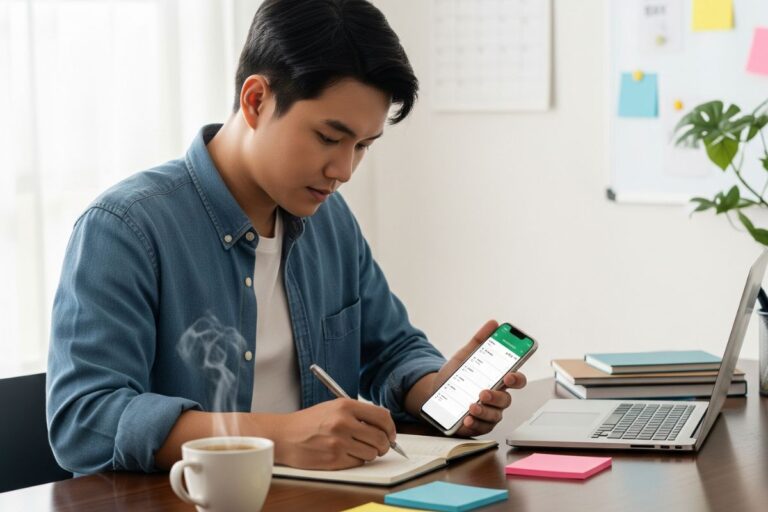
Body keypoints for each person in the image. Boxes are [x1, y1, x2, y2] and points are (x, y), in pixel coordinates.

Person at [46, 0, 527, 475]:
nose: (344, 170)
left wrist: (437, 393)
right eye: (327, 137)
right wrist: (278, 437)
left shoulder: (330, 220)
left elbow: (391, 350)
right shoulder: (126, 227)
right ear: (256, 101)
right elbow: (85, 421)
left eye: (362, 146)